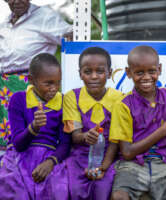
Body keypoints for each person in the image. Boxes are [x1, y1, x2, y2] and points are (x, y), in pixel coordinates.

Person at [109, 45, 166, 200]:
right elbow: (127, 152)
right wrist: (163, 131)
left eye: (152, 71)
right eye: (139, 72)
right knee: (119, 196)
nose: (146, 77)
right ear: (129, 73)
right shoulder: (123, 105)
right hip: (133, 165)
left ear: (159, 69)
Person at [0, 0, 72, 151]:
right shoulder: (4, 23)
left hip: (32, 87)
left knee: (30, 137)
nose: (17, 1)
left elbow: (71, 37)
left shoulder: (45, 16)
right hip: (4, 89)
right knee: (7, 142)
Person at [0, 53, 71, 199]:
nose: (54, 88)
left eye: (58, 83)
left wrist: (50, 162)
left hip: (51, 156)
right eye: (48, 83)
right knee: (12, 182)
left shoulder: (64, 102)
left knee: (56, 188)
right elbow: (18, 144)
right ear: (32, 80)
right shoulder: (18, 99)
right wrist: (33, 128)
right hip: (21, 156)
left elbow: (65, 143)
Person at [63, 47, 123, 200]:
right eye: (88, 72)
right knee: (75, 189)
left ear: (109, 73)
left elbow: (116, 140)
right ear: (80, 74)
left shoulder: (120, 99)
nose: (94, 77)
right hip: (79, 157)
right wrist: (85, 137)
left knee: (103, 188)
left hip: (109, 158)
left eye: (100, 71)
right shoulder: (71, 97)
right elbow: (75, 136)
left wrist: (103, 167)